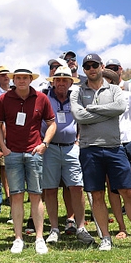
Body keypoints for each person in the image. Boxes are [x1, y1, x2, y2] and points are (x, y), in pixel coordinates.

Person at [72, 55, 131, 251]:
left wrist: (92, 109)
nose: (91, 68)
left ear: (101, 67)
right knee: (97, 194)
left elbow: (120, 108)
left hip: (115, 146)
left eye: (94, 65)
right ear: (84, 69)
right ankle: (106, 237)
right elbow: (79, 116)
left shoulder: (115, 90)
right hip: (89, 148)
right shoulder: (77, 91)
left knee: (128, 191)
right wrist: (106, 112)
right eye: (87, 66)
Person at [0, 67, 56, 255]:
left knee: (36, 195)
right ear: (14, 80)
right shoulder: (4, 99)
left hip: (34, 152)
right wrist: (3, 147)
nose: (21, 81)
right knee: (16, 196)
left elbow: (52, 123)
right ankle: (18, 238)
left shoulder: (41, 98)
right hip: (12, 153)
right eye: (18, 78)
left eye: (25, 78)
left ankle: (39, 238)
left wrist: (44, 144)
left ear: (31, 79)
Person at [41, 66, 90, 245]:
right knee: (50, 189)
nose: (61, 83)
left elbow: (83, 119)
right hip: (50, 148)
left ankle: (81, 227)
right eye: (58, 80)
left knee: (77, 187)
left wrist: (78, 140)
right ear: (53, 81)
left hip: (71, 147)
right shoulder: (44, 97)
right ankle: (54, 228)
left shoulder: (76, 97)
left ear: (71, 82)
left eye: (65, 80)